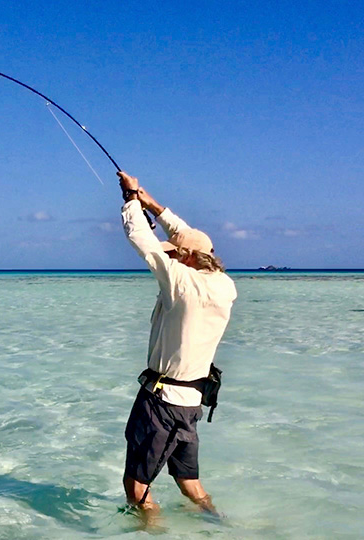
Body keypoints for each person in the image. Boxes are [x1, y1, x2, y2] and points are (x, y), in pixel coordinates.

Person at [117, 171, 237, 522]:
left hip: (161, 402)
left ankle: (151, 531)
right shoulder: (225, 286)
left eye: (175, 253)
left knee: (137, 489)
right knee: (190, 483)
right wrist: (147, 198)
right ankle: (222, 525)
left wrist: (129, 204)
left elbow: (141, 239)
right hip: (191, 403)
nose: (169, 254)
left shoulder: (179, 282)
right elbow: (187, 239)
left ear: (183, 258)